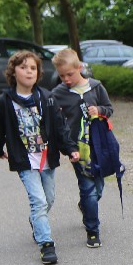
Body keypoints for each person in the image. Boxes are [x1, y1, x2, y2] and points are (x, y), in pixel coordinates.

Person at [0, 50, 79, 265]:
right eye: (23, 67)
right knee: (38, 201)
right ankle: (46, 244)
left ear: (38, 73)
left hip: (47, 157)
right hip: (24, 160)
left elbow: (60, 127)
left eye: (33, 68)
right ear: (13, 72)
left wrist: (70, 148)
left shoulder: (47, 98)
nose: (29, 71)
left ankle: (36, 221)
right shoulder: (4, 102)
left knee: (49, 199)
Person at [50, 48, 114, 248]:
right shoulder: (58, 94)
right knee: (88, 189)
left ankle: (85, 205)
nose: (66, 79)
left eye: (69, 74)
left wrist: (100, 110)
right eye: (62, 76)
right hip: (77, 149)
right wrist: (65, 147)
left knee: (98, 188)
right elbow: (55, 121)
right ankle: (92, 231)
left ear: (79, 68)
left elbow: (109, 109)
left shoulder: (96, 87)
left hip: (98, 145)